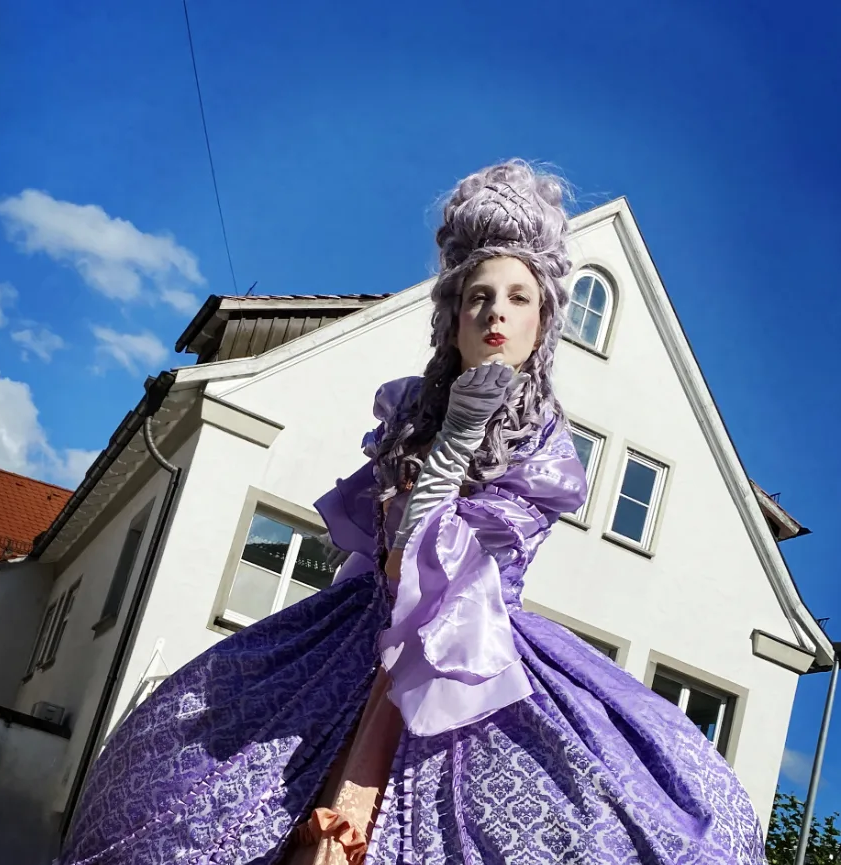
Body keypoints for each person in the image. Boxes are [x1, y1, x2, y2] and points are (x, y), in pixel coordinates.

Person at [58, 161, 765, 864]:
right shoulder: (408, 412)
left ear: (543, 319)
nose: (496, 312)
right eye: (479, 296)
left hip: (469, 653)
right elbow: (387, 558)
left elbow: (434, 558)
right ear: (453, 316)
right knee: (187, 778)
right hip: (358, 635)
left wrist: (461, 440)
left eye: (519, 298)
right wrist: (450, 431)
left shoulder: (545, 448)